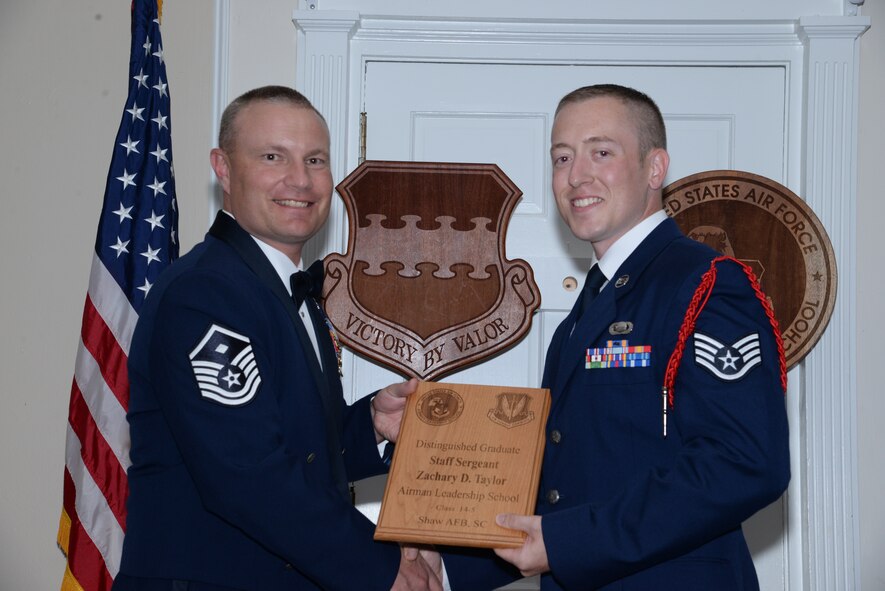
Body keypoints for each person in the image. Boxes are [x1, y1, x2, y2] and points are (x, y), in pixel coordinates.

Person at [444, 84, 791, 590]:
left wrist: (568, 543)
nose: (575, 175)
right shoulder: (581, 317)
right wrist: (447, 566)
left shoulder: (707, 284)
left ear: (655, 168)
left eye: (600, 152)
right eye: (562, 157)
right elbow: (564, 486)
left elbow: (746, 462)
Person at [113, 85, 441, 591]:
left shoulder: (285, 289)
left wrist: (367, 424)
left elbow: (292, 446)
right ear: (223, 167)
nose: (301, 180)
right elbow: (247, 474)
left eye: (315, 159)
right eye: (273, 156)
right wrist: (379, 567)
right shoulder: (206, 294)